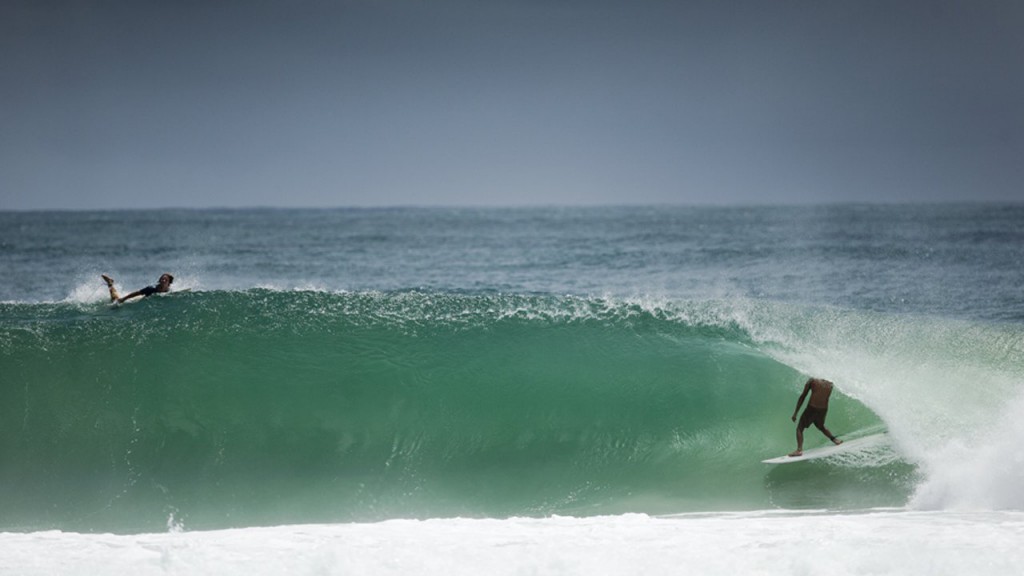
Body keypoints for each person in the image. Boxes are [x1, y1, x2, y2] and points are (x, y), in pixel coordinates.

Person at [789, 377, 842, 457]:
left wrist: (795, 413)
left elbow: (803, 396)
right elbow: (826, 398)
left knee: (799, 428)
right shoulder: (830, 383)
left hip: (812, 407)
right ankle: (835, 440)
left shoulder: (812, 380)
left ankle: (799, 450)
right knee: (821, 426)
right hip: (823, 409)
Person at [102, 273, 174, 303]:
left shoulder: (168, 290)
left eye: (165, 280)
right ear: (159, 280)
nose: (163, 280)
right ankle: (110, 283)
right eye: (162, 279)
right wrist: (123, 299)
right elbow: (137, 293)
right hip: (137, 299)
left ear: (169, 283)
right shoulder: (151, 289)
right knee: (114, 300)